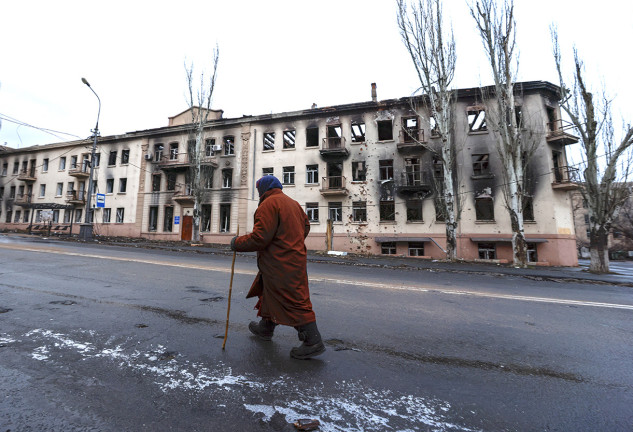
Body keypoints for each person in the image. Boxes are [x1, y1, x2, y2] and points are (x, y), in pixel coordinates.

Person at [231, 175, 325, 359]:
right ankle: (265, 329)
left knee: (293, 299)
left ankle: (312, 341)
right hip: (291, 259)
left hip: (280, 262)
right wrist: (290, 242)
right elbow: (305, 227)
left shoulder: (268, 204)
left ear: (263, 189)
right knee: (270, 292)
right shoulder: (293, 203)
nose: (258, 193)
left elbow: (260, 237)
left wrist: (237, 242)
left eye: (258, 190)